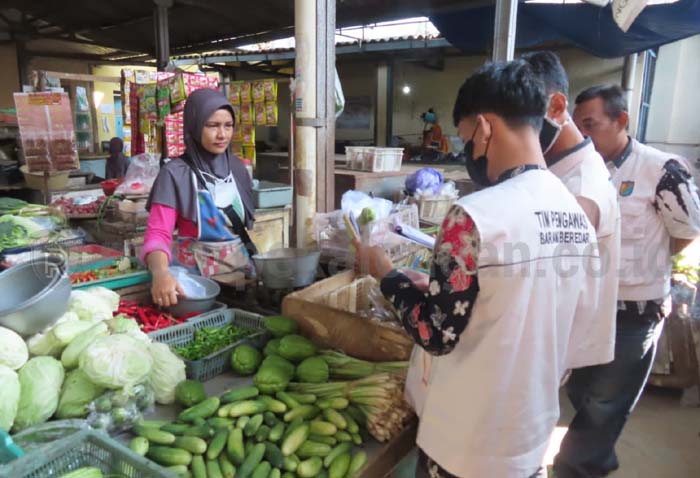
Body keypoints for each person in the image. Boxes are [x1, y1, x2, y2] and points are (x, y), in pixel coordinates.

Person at [354, 60, 600, 478]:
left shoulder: (473, 215)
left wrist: (387, 274)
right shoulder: (576, 214)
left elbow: (435, 332)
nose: (466, 149)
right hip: (531, 435)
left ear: (485, 128)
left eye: (465, 137)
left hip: (466, 443)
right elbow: (571, 328)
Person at [557, 84, 700, 477]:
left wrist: (647, 266)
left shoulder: (661, 170)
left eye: (591, 125)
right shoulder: (578, 170)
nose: (584, 136)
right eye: (578, 126)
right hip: (585, 306)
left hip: (634, 313)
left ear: (621, 120)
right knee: (581, 393)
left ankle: (576, 468)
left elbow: (687, 230)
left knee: (604, 404)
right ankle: (597, 459)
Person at [522, 49, 621, 405]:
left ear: (556, 106)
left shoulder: (582, 190)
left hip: (553, 347)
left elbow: (543, 288)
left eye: (522, 119)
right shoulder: (559, 170)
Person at [143, 88, 256, 307]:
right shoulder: (175, 173)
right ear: (194, 125)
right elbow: (158, 233)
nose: (222, 134)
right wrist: (160, 273)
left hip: (241, 277)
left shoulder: (237, 168)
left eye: (228, 125)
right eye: (212, 125)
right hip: (198, 286)